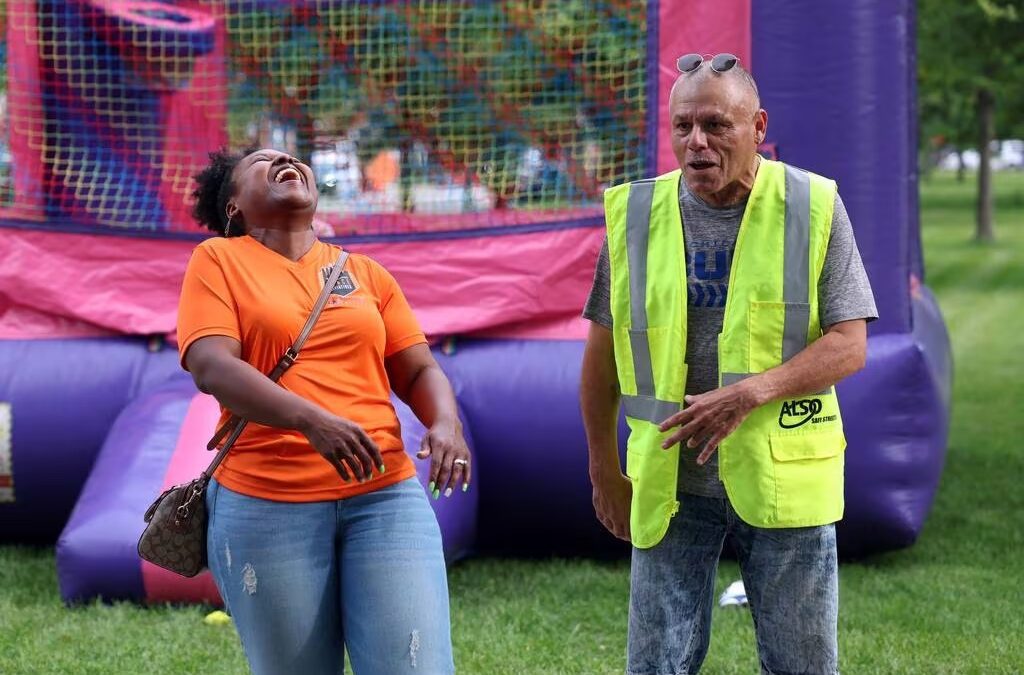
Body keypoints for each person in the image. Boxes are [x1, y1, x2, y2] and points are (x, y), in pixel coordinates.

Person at [580, 53, 877, 674]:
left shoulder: (812, 205)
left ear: (757, 126)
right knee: (655, 665)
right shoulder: (634, 216)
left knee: (801, 664)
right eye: (683, 126)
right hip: (668, 481)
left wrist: (750, 393)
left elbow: (849, 343)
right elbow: (602, 357)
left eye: (716, 125)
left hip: (783, 477)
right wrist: (602, 468)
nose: (697, 142)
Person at [178, 147, 470, 675]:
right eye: (262, 160)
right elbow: (211, 367)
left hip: (385, 497)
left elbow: (419, 370)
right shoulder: (217, 261)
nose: (285, 158)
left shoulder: (365, 273)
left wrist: (445, 421)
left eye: (291, 156)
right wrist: (310, 419)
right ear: (234, 207)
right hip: (266, 503)